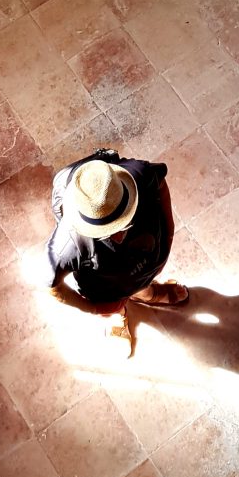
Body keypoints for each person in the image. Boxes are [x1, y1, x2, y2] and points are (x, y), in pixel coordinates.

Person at [48, 149, 188, 354]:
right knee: (112, 302)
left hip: (141, 264)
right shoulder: (64, 246)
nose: (118, 237)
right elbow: (54, 286)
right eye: (106, 230)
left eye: (122, 222)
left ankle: (147, 293)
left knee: (140, 280)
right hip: (104, 286)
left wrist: (168, 237)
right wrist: (95, 309)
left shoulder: (139, 174)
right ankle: (118, 314)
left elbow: (159, 183)